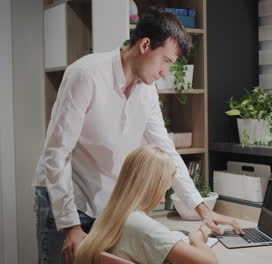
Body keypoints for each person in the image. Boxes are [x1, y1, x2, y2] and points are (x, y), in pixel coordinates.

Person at [34, 9, 241, 264]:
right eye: (165, 61)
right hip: (64, 197)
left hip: (106, 203)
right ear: (144, 45)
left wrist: (201, 208)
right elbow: (57, 153)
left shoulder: (147, 91)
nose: (166, 72)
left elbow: (166, 150)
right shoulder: (86, 75)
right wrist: (70, 227)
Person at [74, 145, 217, 264]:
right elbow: (209, 262)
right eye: (165, 190)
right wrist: (197, 239)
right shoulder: (143, 227)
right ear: (153, 186)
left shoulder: (107, 216)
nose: (162, 199)